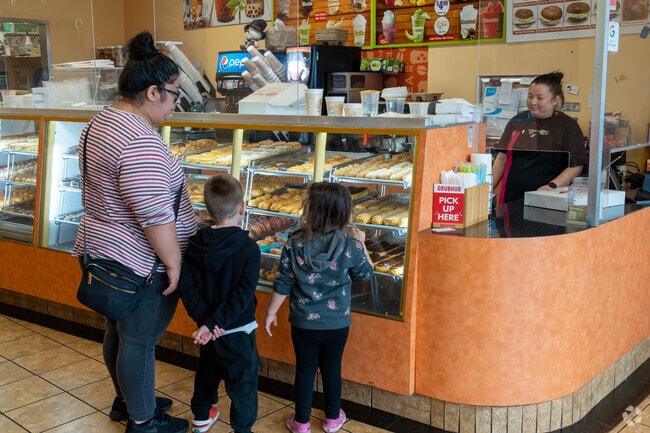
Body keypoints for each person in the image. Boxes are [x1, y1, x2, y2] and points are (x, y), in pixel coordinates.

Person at [72, 31, 197, 433]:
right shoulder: (141, 140)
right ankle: (143, 421)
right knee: (139, 342)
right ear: (152, 92)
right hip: (138, 262)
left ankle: (128, 401)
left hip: (101, 249)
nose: (177, 104)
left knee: (119, 332)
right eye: (176, 95)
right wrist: (174, 263)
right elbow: (154, 216)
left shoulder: (101, 122)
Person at [264, 182, 373, 433]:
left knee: (305, 369)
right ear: (344, 213)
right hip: (337, 324)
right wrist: (362, 243)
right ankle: (333, 418)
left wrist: (271, 313)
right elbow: (365, 274)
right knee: (332, 369)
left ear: (309, 210)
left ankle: (301, 422)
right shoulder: (350, 245)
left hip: (303, 323)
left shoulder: (293, 243)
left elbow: (283, 282)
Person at [177, 174, 261, 433]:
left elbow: (187, 288)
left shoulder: (194, 244)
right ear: (242, 207)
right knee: (242, 383)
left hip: (208, 330)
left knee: (207, 373)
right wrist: (214, 323)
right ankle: (242, 429)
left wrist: (206, 322)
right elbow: (242, 295)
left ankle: (201, 418)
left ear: (208, 211)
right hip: (236, 329)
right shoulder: (249, 249)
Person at [491, 71, 588, 203]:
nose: (533, 102)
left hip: (547, 198)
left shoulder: (567, 126)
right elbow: (502, 157)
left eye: (540, 98)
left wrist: (551, 186)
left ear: (555, 100)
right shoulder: (518, 121)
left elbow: (576, 166)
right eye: (530, 96)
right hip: (511, 197)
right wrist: (488, 188)